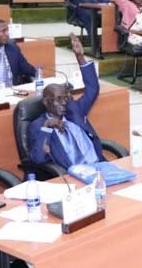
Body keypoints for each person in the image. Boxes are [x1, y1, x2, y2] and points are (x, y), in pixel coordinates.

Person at [28, 34, 105, 169]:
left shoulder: (74, 110)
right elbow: (38, 158)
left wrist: (80, 57)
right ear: (46, 102)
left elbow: (93, 88)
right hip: (75, 175)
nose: (64, 103)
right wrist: (46, 128)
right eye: (58, 99)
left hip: (99, 167)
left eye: (66, 98)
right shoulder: (38, 126)